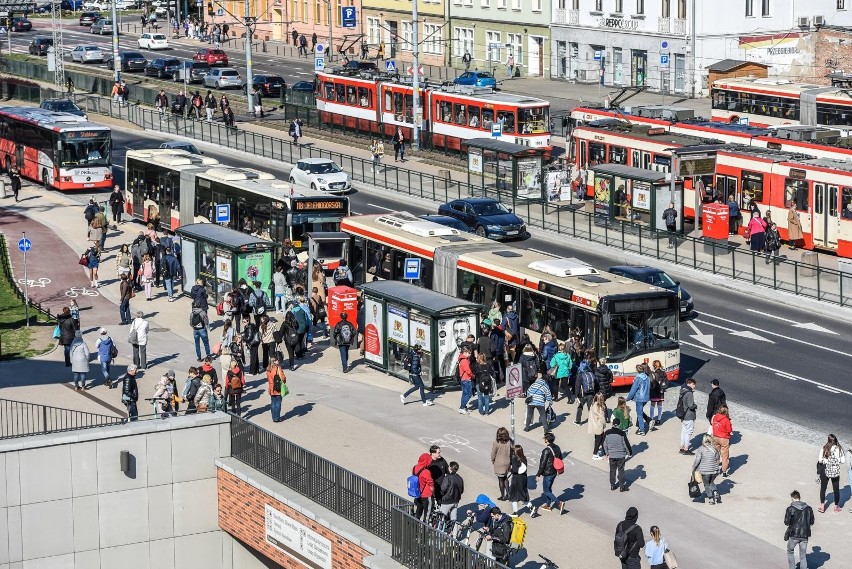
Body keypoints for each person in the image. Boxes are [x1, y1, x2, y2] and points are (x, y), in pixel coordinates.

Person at [785, 490, 814, 569]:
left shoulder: (790, 508)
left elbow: (786, 522)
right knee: (803, 556)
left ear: (792, 498)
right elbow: (812, 522)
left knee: (790, 551)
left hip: (793, 535)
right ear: (799, 497)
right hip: (804, 535)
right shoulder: (809, 509)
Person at [535, 432, 563, 512]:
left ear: (546, 440)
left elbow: (542, 464)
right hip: (554, 472)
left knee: (546, 491)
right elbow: (560, 457)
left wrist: (538, 474)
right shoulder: (557, 447)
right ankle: (548, 505)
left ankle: (559, 503)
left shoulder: (546, 450)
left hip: (548, 473)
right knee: (549, 489)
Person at [817, 434, 845, 513]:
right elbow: (843, 461)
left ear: (828, 440)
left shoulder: (824, 448)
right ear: (835, 440)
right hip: (835, 469)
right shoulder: (839, 448)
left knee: (823, 487)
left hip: (825, 468)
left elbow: (820, 460)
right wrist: (836, 460)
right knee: (836, 489)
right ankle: (836, 506)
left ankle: (822, 506)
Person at [604, 416, 633, 492]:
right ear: (619, 425)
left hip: (612, 455)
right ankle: (622, 486)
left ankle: (612, 485)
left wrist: (607, 453)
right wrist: (629, 452)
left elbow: (604, 444)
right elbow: (626, 444)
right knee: (621, 471)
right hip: (620, 455)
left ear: (612, 424)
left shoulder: (607, 433)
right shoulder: (622, 433)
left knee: (612, 470)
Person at [693, 434, 721, 504]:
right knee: (711, 482)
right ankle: (715, 492)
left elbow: (697, 460)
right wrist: (714, 467)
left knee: (706, 484)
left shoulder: (701, 449)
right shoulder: (714, 449)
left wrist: (694, 467)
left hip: (705, 471)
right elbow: (718, 459)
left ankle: (711, 499)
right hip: (714, 470)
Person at [508, 444, 535, 516]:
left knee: (514, 495)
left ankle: (515, 512)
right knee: (522, 494)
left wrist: (510, 469)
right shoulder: (524, 458)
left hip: (516, 479)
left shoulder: (514, 459)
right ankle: (531, 506)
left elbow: (515, 470)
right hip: (523, 478)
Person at [626, 364, 650, 435]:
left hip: (639, 398)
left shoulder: (638, 379)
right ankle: (640, 424)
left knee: (639, 413)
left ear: (637, 370)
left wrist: (628, 398)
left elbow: (633, 390)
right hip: (646, 397)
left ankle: (642, 430)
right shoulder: (647, 377)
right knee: (640, 412)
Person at [711, 404, 733, 476]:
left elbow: (712, 425)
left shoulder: (714, 417)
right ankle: (724, 472)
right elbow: (729, 430)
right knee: (724, 456)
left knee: (716, 453)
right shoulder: (726, 420)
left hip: (715, 437)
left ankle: (714, 469)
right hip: (724, 438)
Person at [491, 427, 512, 501]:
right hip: (507, 462)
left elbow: (493, 454)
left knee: (500, 480)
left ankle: (503, 495)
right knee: (505, 478)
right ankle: (508, 494)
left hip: (499, 463)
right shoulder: (509, 442)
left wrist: (493, 460)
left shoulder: (496, 442)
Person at [412, 453, 435, 521]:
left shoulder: (415, 467)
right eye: (429, 461)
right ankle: (425, 530)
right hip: (427, 496)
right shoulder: (426, 472)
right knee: (427, 515)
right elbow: (431, 485)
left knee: (418, 512)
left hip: (418, 494)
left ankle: (414, 527)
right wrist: (433, 493)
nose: (430, 463)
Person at [677, 378, 698, 454]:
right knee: (688, 432)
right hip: (689, 415)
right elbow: (690, 405)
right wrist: (695, 405)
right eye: (693, 384)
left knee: (683, 432)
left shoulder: (682, 391)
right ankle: (686, 449)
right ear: (689, 383)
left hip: (683, 415)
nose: (694, 386)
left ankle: (681, 447)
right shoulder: (689, 393)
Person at [267, 355, 286, 422]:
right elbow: (283, 378)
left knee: (273, 403)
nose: (278, 361)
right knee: (278, 403)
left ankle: (273, 417)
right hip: (278, 388)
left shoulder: (268, 369)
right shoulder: (278, 369)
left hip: (271, 388)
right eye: (277, 360)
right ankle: (277, 418)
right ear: (274, 361)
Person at [589, 392, 608, 460]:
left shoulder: (593, 404)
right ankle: (595, 454)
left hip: (594, 425)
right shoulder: (599, 406)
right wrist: (604, 424)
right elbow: (602, 417)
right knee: (599, 440)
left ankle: (603, 452)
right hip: (598, 425)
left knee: (600, 439)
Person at [457, 346, 474, 414]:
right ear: (465, 352)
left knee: (464, 394)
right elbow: (468, 371)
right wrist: (473, 376)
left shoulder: (461, 359)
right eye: (469, 353)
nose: (470, 355)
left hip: (463, 379)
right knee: (469, 394)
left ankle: (463, 407)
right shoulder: (465, 361)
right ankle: (462, 407)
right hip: (466, 379)